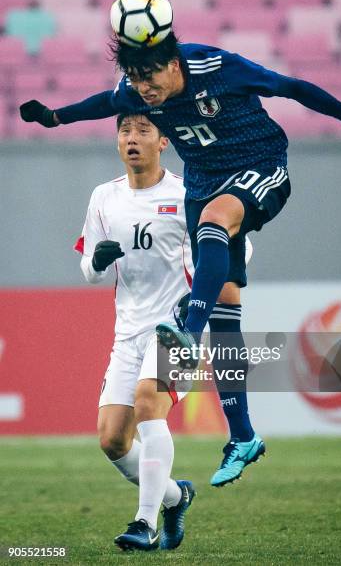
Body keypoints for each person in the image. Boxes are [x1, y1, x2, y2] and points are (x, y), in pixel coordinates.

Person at [20, 29, 341, 487]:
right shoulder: (137, 92)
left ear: (174, 65)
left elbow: (289, 87)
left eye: (150, 77)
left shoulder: (216, 67)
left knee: (215, 225)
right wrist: (54, 116)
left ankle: (187, 334)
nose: (144, 89)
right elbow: (103, 103)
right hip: (203, 183)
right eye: (136, 80)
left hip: (258, 164)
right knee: (226, 312)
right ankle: (243, 437)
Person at [75, 113, 196, 551]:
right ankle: (175, 496)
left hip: (177, 329)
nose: (132, 139)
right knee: (112, 439)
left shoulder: (188, 194)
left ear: (163, 141)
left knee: (149, 405)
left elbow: (237, 249)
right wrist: (98, 262)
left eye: (143, 131)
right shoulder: (104, 197)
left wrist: (199, 295)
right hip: (128, 334)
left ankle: (144, 523)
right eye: (125, 131)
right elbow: (87, 269)